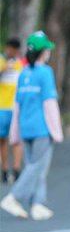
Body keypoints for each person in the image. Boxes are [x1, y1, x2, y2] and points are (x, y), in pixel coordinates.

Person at [0, 32, 63, 221]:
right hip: (42, 128)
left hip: (26, 128)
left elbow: (17, 106)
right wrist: (56, 131)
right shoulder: (45, 73)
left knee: (35, 166)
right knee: (37, 167)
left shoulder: (24, 73)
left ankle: (37, 204)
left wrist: (15, 133)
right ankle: (13, 197)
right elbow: (49, 104)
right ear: (43, 52)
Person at [0, 38, 24, 184]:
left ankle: (16, 169)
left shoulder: (19, 64)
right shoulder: (1, 61)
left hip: (15, 106)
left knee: (16, 139)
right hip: (2, 106)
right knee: (2, 140)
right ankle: (4, 168)